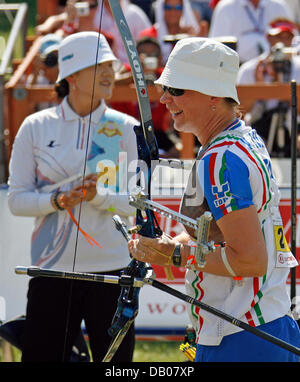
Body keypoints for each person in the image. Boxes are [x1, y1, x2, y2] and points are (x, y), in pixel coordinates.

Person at [128, 37, 300, 362]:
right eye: (165, 88)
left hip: (243, 337)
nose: (164, 98)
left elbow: (250, 260)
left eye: (176, 90)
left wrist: (177, 256)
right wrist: (167, 245)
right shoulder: (239, 139)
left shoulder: (221, 158)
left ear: (213, 95)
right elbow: (221, 232)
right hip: (262, 326)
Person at [8, 31, 139, 362]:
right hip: (52, 272)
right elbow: (16, 200)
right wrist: (57, 201)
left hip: (113, 273)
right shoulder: (35, 126)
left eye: (111, 65)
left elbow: (139, 204)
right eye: (100, 66)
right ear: (73, 76)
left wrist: (97, 196)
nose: (111, 73)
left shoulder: (126, 127)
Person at [237, 18, 300, 156]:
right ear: (268, 38)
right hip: (258, 127)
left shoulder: (298, 67)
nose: (282, 41)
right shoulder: (250, 69)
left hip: (292, 125)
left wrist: (281, 85)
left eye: (287, 37)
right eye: (278, 36)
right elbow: (239, 112)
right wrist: (259, 87)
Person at [209, 0, 294, 64]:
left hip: (277, 68)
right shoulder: (225, 7)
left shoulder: (279, 6)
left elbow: (293, 44)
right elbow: (216, 50)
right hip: (236, 70)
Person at [139, 0, 202, 64]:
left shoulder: (189, 35)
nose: (173, 12)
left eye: (178, 7)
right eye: (168, 7)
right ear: (161, 9)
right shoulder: (149, 35)